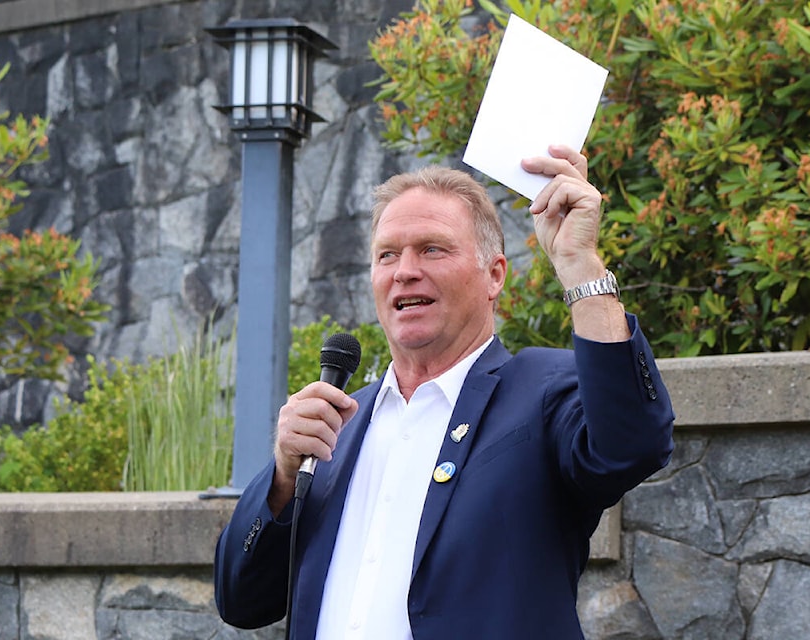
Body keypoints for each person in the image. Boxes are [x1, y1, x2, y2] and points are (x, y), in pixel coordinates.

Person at [214, 145, 675, 639]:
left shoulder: (539, 390)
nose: (404, 270)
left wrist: (580, 263)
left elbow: (632, 445)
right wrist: (283, 478)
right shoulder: (337, 424)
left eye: (432, 249)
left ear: (494, 275)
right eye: (387, 254)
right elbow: (242, 601)